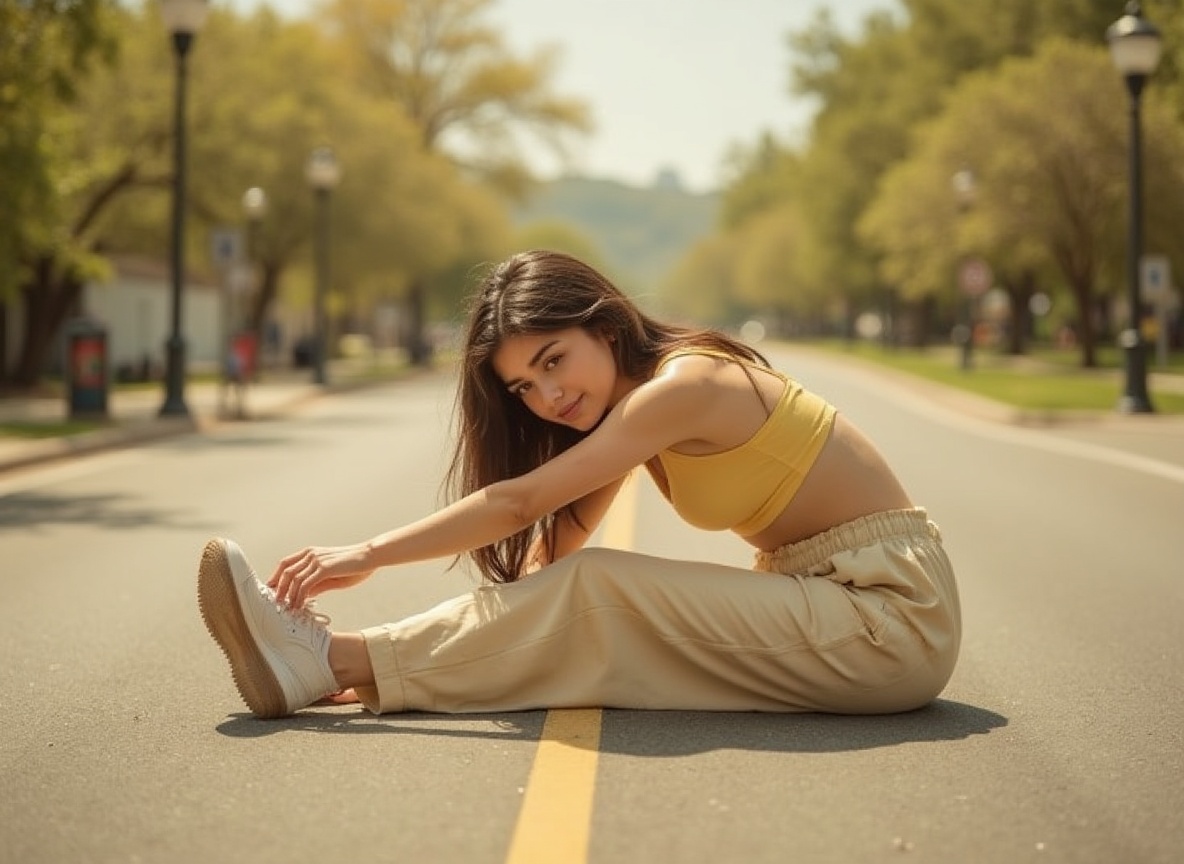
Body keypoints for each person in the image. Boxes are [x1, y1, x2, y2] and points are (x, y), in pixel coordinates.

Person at [197, 249, 961, 720]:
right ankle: (334, 662)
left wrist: (362, 554)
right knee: (579, 592)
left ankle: (330, 660)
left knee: (605, 591)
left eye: (553, 360)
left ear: (605, 323)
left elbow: (521, 504)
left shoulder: (682, 389)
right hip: (838, 609)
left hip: (888, 619)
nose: (547, 398)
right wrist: (489, 636)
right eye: (524, 386)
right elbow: (551, 562)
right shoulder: (634, 414)